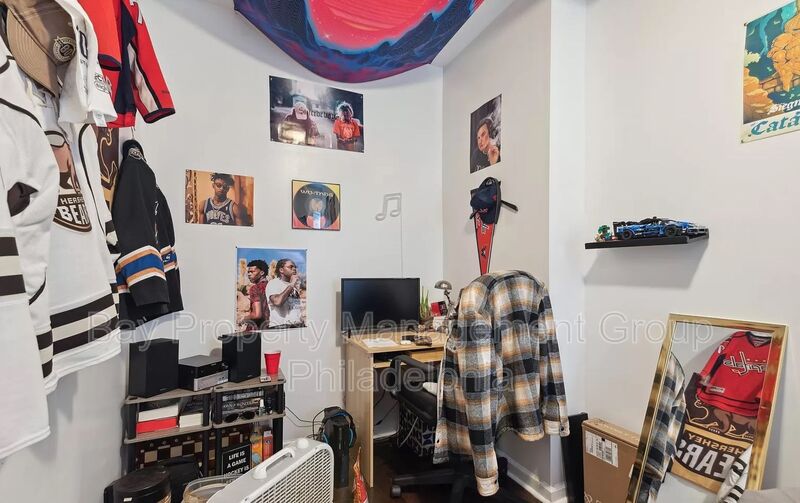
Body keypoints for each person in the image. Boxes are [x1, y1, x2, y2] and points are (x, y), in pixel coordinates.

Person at [266, 259, 303, 327]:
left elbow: (296, 308)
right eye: (290, 267)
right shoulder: (273, 283)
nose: (294, 269)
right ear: (281, 270)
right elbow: (277, 302)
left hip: (296, 326)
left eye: (295, 267)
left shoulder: (294, 287)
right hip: (280, 327)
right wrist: (292, 284)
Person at [239, 259, 269, 330]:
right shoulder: (272, 286)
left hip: (256, 329)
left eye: (252, 271)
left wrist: (244, 318)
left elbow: (257, 314)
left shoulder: (255, 288)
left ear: (262, 273)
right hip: (271, 328)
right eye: (248, 272)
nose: (249, 274)